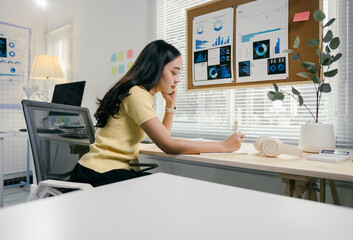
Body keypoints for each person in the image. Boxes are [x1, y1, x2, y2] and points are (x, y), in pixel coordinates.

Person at [70, 40, 245, 187]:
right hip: (98, 173)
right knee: (167, 190)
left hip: (105, 171)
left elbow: (163, 137)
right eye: (173, 72)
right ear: (156, 68)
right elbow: (168, 145)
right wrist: (223, 146)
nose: (177, 79)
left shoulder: (141, 94)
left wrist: (170, 105)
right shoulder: (136, 94)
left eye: (179, 73)